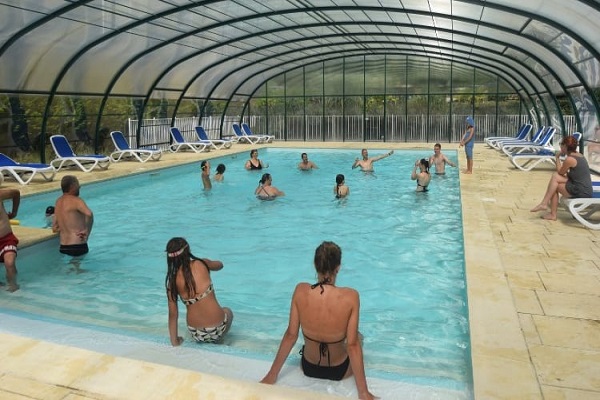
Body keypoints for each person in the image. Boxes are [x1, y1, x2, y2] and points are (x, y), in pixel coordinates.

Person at [260, 241, 375, 400]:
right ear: (338, 268)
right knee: (357, 337)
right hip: (339, 371)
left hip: (309, 367)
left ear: (315, 265)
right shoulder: (351, 297)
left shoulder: (300, 290)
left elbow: (291, 336)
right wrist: (363, 392)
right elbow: (352, 345)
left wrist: (271, 375)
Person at [165, 237, 233, 346]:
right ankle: (219, 340)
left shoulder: (172, 282)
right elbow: (220, 265)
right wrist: (209, 264)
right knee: (228, 311)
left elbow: (173, 314)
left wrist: (175, 341)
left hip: (196, 333)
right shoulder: (201, 264)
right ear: (188, 250)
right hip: (218, 328)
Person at [530, 135, 593, 220]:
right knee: (555, 179)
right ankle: (545, 205)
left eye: (561, 144)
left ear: (565, 146)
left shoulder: (570, 159)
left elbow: (560, 172)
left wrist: (557, 157)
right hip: (583, 187)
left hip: (581, 191)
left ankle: (548, 209)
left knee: (554, 185)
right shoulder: (579, 155)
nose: (560, 146)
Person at [52, 175, 93, 257]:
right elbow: (89, 214)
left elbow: (55, 227)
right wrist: (86, 231)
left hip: (63, 246)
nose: (80, 187)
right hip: (77, 245)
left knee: (70, 264)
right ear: (72, 186)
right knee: (78, 265)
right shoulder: (76, 200)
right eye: (78, 184)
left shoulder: (58, 202)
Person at [0, 189, 20, 292]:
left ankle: (13, 286)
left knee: (10, 263)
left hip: (5, 238)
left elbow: (16, 193)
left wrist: (14, 212)